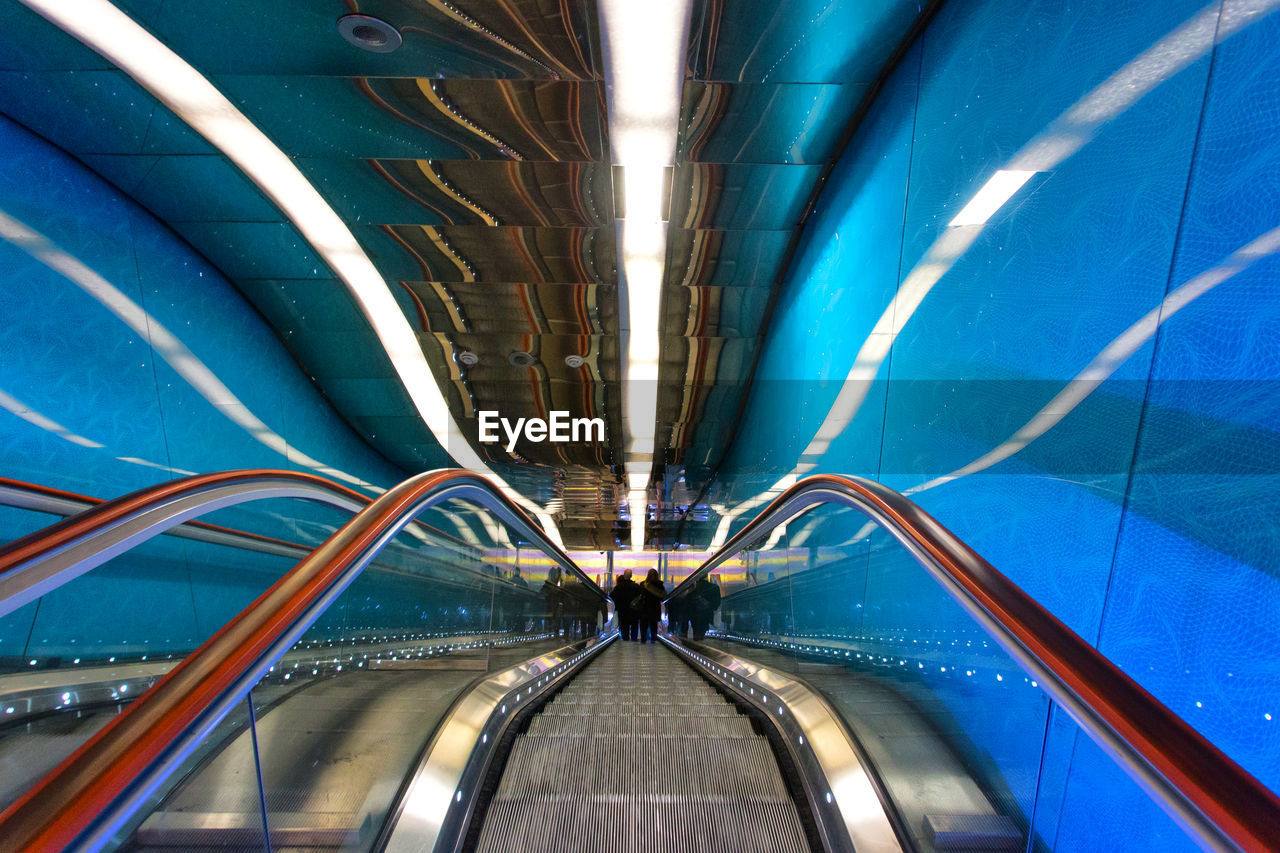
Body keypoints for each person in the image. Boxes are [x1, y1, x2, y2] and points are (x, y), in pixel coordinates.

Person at [635, 569, 666, 644]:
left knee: (643, 624)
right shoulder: (659, 584)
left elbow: (639, 594)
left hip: (644, 607)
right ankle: (653, 639)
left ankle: (643, 639)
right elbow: (662, 597)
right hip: (654, 608)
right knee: (653, 625)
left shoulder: (643, 584)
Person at [609, 569, 640, 640]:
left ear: (624, 575)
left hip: (623, 611)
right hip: (634, 611)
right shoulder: (636, 586)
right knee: (634, 625)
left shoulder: (618, 587)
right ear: (631, 576)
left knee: (624, 625)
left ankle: (625, 639)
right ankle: (634, 639)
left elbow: (611, 597)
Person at [690, 574, 721, 639]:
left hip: (695, 616)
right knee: (703, 632)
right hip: (707, 615)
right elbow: (717, 603)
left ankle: (697, 642)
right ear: (707, 577)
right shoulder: (714, 588)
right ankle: (700, 643)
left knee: (697, 633)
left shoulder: (694, 590)